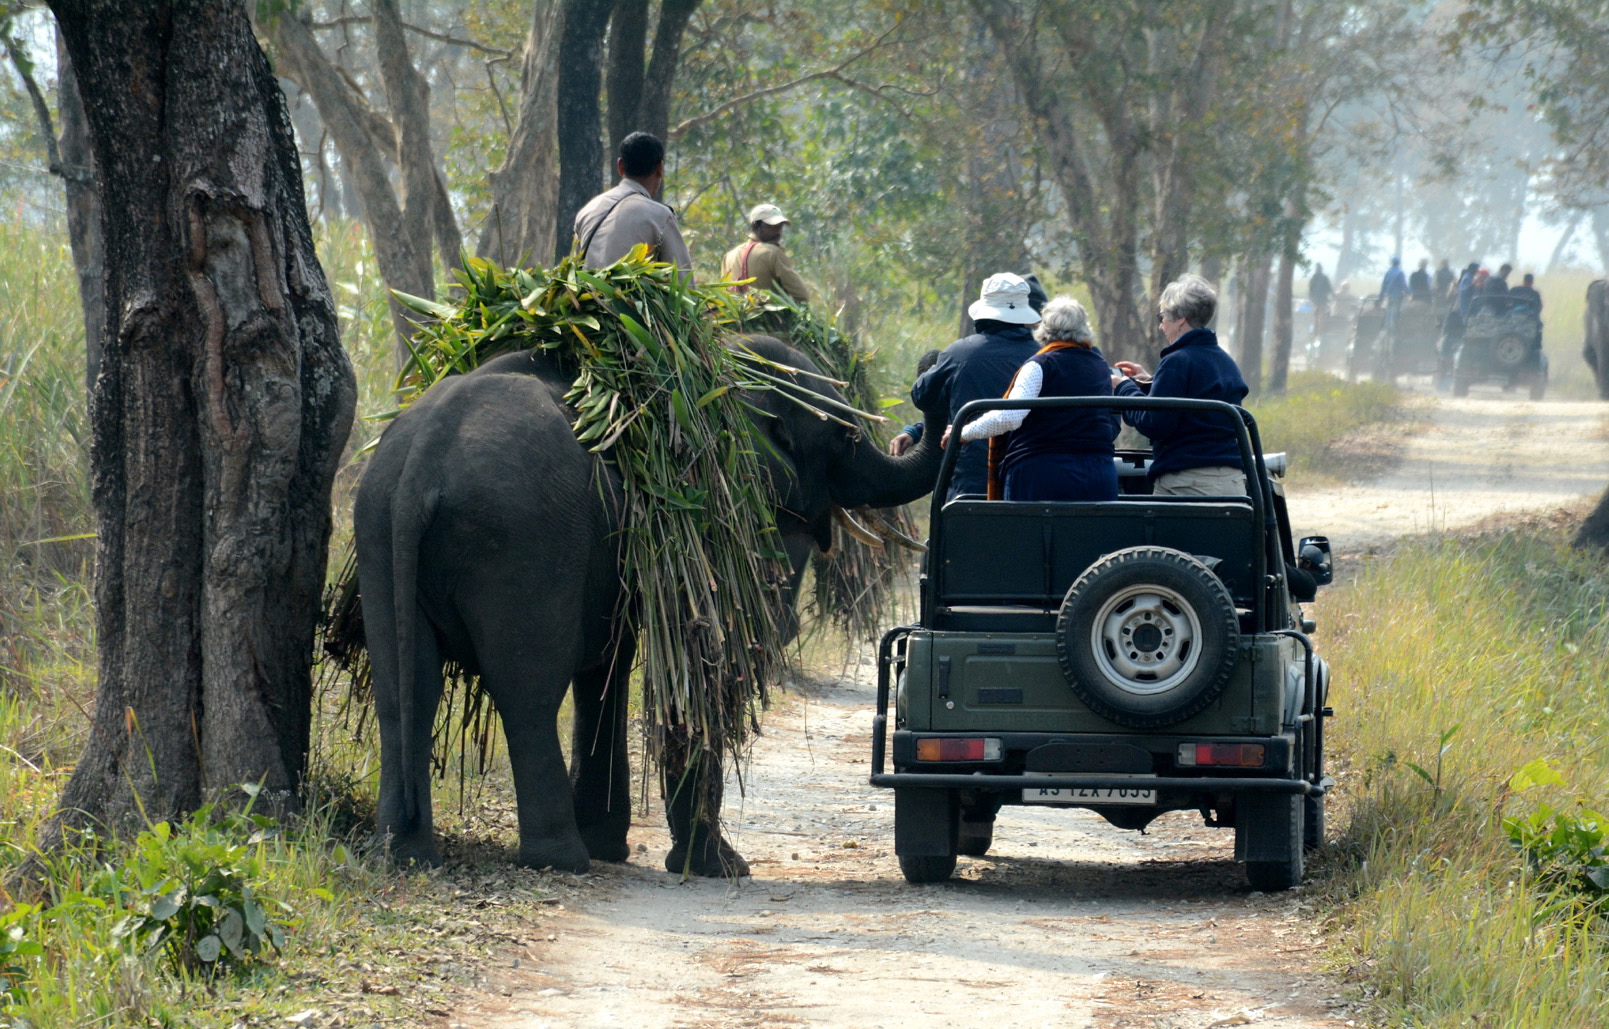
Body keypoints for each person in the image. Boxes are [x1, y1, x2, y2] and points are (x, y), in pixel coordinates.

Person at [888, 273, 1041, 500]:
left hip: (969, 488)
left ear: (983, 315)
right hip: (1034, 483)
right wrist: (917, 431)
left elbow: (923, 397)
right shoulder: (1046, 357)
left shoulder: (959, 354)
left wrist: (933, 366)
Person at [953, 296, 1120, 502]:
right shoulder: (1101, 367)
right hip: (1099, 474)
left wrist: (963, 432)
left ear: (1044, 329)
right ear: (1084, 328)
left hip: (1043, 475)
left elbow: (1009, 417)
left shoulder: (1039, 365)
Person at [1112, 274, 1250, 496]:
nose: (1160, 326)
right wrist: (1151, 383)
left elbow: (1154, 422)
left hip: (1186, 485)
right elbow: (1190, 403)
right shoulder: (1224, 361)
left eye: (1163, 316)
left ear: (1181, 318)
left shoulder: (1177, 362)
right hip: (1232, 483)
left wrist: (1123, 388)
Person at [572, 131, 693, 276]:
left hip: (586, 298)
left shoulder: (588, 211)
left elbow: (575, 274)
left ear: (620, 166)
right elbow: (682, 280)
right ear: (660, 169)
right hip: (629, 300)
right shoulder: (661, 217)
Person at [720, 203, 808, 302]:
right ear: (755, 226)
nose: (778, 232)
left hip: (736, 317)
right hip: (773, 316)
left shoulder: (729, 256)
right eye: (772, 227)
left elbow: (725, 295)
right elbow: (801, 295)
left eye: (780, 227)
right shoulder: (773, 253)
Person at [1377, 256, 1409, 334]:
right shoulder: (1400, 273)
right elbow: (1403, 285)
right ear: (1398, 263)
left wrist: (1381, 297)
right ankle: (1392, 331)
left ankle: (1386, 330)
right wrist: (1409, 293)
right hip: (1397, 296)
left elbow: (1384, 285)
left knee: (1388, 313)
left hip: (1388, 296)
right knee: (1394, 313)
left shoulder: (1388, 272)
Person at [1309, 263, 1333, 337]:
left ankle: (1315, 332)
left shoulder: (1313, 277)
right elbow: (1329, 289)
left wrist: (1311, 297)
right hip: (1322, 300)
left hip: (1315, 300)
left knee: (1315, 316)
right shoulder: (1324, 277)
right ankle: (1320, 332)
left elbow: (1310, 289)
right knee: (1322, 317)